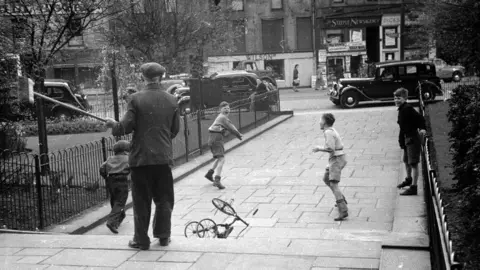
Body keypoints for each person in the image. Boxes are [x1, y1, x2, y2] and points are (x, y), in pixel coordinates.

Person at [105, 62, 180, 250]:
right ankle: (163, 235)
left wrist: (113, 124)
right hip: (163, 159)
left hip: (141, 159)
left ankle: (141, 240)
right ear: (161, 77)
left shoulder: (135, 99)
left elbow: (124, 128)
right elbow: (174, 130)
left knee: (141, 201)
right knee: (164, 199)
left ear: (142, 78)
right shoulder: (172, 100)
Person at [312, 113, 348, 221]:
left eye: (320, 120)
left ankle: (343, 210)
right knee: (326, 178)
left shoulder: (328, 132)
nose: (319, 122)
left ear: (324, 122)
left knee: (333, 184)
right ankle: (342, 199)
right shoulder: (331, 130)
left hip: (336, 159)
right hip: (337, 158)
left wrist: (318, 148)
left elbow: (330, 148)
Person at [394, 88, 427, 196]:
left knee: (413, 163)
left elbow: (420, 119)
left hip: (412, 139)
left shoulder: (407, 109)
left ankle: (414, 187)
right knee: (406, 161)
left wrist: (422, 128)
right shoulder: (402, 109)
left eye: (399, 98)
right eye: (395, 98)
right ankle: (409, 179)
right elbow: (402, 127)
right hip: (406, 138)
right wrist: (401, 141)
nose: (396, 100)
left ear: (405, 98)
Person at [205, 101, 243, 189]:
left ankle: (209, 173)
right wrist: (238, 134)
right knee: (222, 159)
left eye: (228, 108)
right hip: (216, 139)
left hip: (213, 139)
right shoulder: (223, 117)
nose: (227, 110)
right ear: (220, 110)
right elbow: (231, 127)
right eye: (224, 108)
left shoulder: (221, 117)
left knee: (219, 157)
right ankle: (217, 180)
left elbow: (228, 128)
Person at [99, 140, 130, 234]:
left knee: (114, 200)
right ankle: (111, 222)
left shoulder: (110, 159)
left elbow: (102, 168)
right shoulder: (128, 158)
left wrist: (106, 177)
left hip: (110, 181)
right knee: (120, 202)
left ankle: (119, 217)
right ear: (125, 150)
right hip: (122, 181)